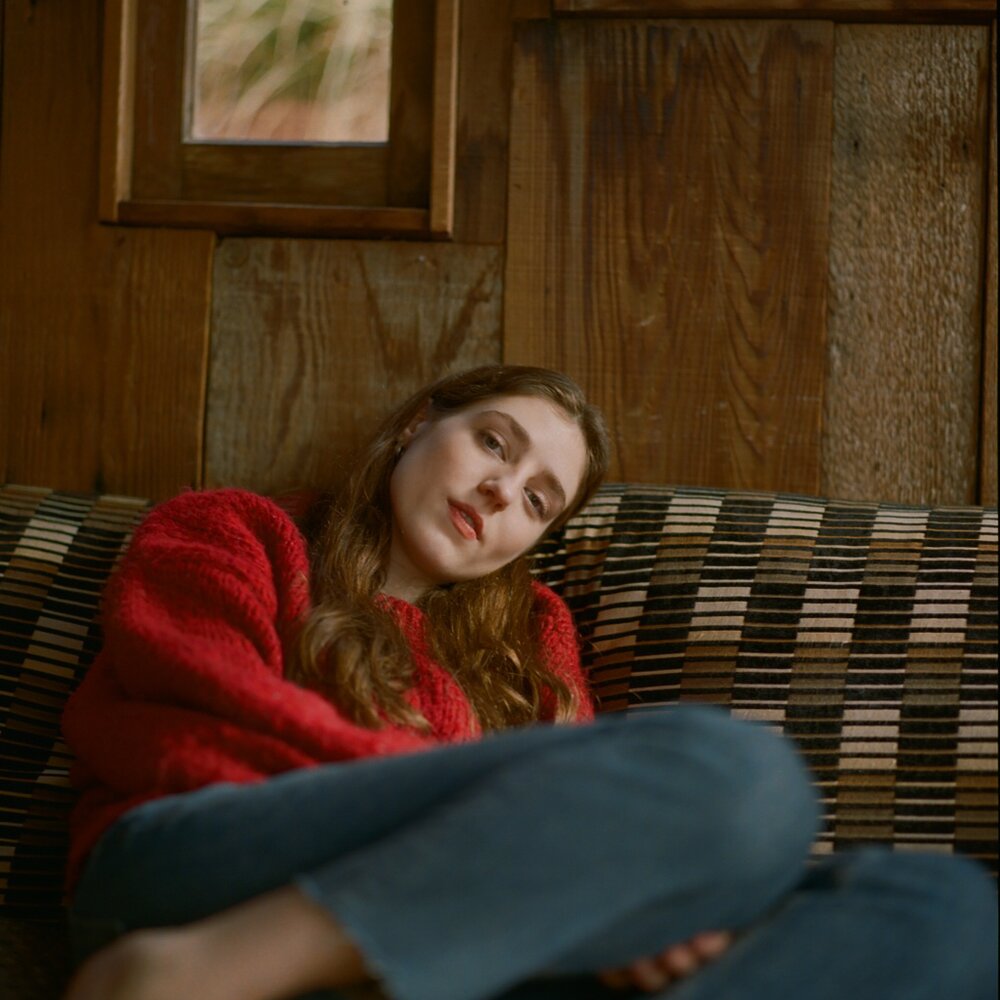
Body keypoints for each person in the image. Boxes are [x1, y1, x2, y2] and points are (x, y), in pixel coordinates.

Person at [61, 365, 996, 1000]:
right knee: (740, 777)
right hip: (198, 852)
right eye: (495, 444)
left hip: (473, 933)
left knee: (945, 912)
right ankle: (197, 971)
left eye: (539, 500)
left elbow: (593, 812)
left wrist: (639, 886)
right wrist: (581, 857)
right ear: (418, 424)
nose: (504, 492)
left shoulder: (530, 638)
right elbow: (206, 716)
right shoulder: (235, 531)